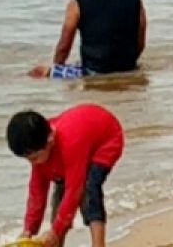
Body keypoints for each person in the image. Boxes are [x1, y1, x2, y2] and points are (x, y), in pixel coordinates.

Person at [7, 104, 125, 247]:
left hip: (106, 139)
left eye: (34, 158)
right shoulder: (39, 149)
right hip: (81, 142)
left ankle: (98, 244)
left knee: (89, 188)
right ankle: (57, 242)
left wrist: (55, 230)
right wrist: (28, 230)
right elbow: (37, 194)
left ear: (50, 141)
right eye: (28, 159)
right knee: (60, 193)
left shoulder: (69, 143)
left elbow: (74, 190)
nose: (33, 163)